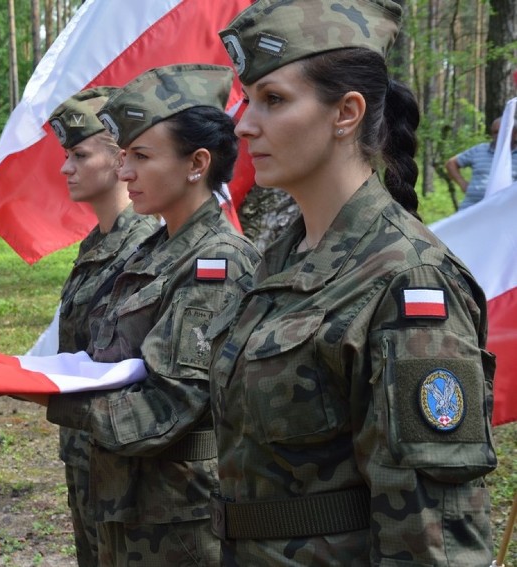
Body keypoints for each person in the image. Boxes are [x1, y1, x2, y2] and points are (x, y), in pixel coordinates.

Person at [0, 63, 260, 565]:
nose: (126, 173)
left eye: (141, 157)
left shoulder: (218, 263)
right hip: (126, 503)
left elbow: (161, 410)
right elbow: (98, 364)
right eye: (125, 157)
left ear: (197, 164)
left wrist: (17, 386)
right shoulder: (152, 250)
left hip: (179, 521)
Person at [208, 1, 498, 565]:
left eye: (273, 100)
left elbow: (431, 534)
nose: (243, 123)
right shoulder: (285, 256)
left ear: (346, 113)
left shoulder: (408, 280)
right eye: (247, 100)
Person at [46, 86, 158, 566]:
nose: (65, 167)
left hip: (135, 471)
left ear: (119, 158)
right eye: (66, 155)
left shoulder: (150, 243)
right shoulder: (98, 242)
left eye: (79, 154)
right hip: (88, 458)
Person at [445, 117, 517, 210]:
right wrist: (463, 184)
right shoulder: (480, 150)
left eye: (503, 132)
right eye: (495, 132)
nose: (498, 136)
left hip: (505, 211)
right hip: (472, 208)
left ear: (515, 134)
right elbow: (451, 163)